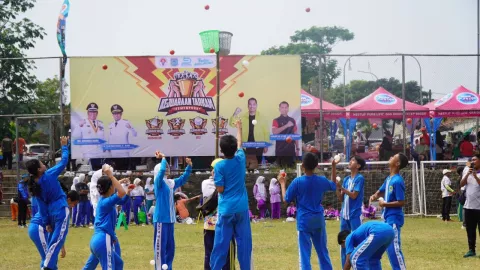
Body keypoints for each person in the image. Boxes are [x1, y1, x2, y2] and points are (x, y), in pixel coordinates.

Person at [277, 152, 340, 270]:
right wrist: (333, 166)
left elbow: (285, 199)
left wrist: (282, 183)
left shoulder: (298, 182)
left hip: (304, 221)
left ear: (302, 167)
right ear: (316, 166)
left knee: (305, 256)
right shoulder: (321, 180)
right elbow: (333, 185)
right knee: (323, 253)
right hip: (318, 220)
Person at [25, 136, 75, 270]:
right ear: (39, 170)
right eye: (41, 164)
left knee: (55, 241)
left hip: (50, 213)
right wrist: (64, 146)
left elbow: (41, 207)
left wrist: (47, 222)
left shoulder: (35, 185)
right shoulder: (49, 174)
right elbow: (64, 161)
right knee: (57, 241)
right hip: (60, 209)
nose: (44, 164)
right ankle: (46, 266)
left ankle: (47, 266)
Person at [210, 119, 252, 270]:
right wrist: (239, 128)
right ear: (234, 149)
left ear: (222, 150)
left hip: (226, 209)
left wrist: (215, 177)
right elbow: (240, 143)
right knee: (244, 245)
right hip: (241, 208)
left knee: (220, 246)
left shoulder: (220, 165)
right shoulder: (240, 159)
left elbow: (220, 189)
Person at [83, 166, 133, 270]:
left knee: (118, 264)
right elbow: (121, 192)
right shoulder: (107, 201)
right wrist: (110, 175)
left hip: (97, 240)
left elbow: (123, 199)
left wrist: (128, 193)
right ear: (110, 188)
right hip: (103, 240)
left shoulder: (105, 199)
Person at [152, 151, 192, 269]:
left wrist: (189, 167)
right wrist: (163, 158)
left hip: (170, 220)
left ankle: (168, 267)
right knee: (160, 248)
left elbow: (182, 179)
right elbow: (161, 173)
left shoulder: (169, 182)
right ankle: (159, 268)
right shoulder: (158, 183)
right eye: (166, 167)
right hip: (161, 220)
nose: (168, 168)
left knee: (170, 248)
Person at [370, 153, 408, 270]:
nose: (390, 157)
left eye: (393, 157)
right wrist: (375, 195)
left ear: (397, 164)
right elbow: (381, 190)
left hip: (394, 218)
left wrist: (384, 204)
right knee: (387, 249)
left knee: (394, 249)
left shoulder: (397, 181)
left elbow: (401, 202)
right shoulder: (389, 179)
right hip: (387, 218)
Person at [201, 158, 235, 270]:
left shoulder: (204, 183)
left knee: (209, 253)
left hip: (209, 225)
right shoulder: (228, 184)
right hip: (224, 224)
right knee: (226, 253)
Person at [29, 192, 77, 269]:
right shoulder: (62, 209)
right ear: (68, 200)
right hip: (38, 228)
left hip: (40, 229)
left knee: (50, 257)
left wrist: (62, 247)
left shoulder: (58, 204)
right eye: (74, 204)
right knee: (48, 258)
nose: (73, 206)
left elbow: (59, 231)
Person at [336, 155, 366, 268]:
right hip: (344, 215)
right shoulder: (346, 179)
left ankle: (359, 265)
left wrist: (342, 188)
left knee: (358, 242)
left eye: (353, 160)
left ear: (358, 166)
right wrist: (337, 188)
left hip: (355, 215)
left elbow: (354, 195)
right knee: (343, 242)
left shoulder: (359, 178)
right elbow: (341, 199)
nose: (350, 161)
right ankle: (345, 266)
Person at [230, 98, 269, 169]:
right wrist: (235, 113)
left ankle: (256, 177)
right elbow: (232, 124)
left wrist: (266, 144)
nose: (252, 106)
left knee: (258, 164)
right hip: (246, 144)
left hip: (259, 145)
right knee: (247, 165)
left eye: (254, 104)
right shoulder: (242, 117)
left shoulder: (262, 117)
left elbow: (266, 131)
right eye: (250, 104)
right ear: (248, 106)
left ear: (256, 105)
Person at [71, 102, 106, 168]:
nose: (93, 114)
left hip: (100, 154)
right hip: (88, 154)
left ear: (97, 113)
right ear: (88, 113)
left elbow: (103, 138)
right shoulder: (82, 123)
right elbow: (75, 136)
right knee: (90, 173)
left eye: (94, 112)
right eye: (91, 112)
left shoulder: (101, 124)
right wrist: (79, 126)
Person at [459, 154, 480, 258]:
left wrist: (476, 176)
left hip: (479, 208)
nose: (473, 161)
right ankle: (471, 250)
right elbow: (461, 184)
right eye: (472, 160)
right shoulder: (468, 171)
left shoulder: (478, 174)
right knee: (470, 230)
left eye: (475, 159)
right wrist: (468, 174)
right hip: (469, 207)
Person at [272, 101, 300, 167]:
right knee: (280, 171)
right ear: (279, 109)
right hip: (280, 150)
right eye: (282, 107)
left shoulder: (292, 120)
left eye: (286, 107)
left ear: (288, 109)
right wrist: (286, 125)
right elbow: (274, 132)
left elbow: (295, 135)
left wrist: (297, 148)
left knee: (291, 170)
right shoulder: (276, 120)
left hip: (291, 150)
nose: (284, 109)